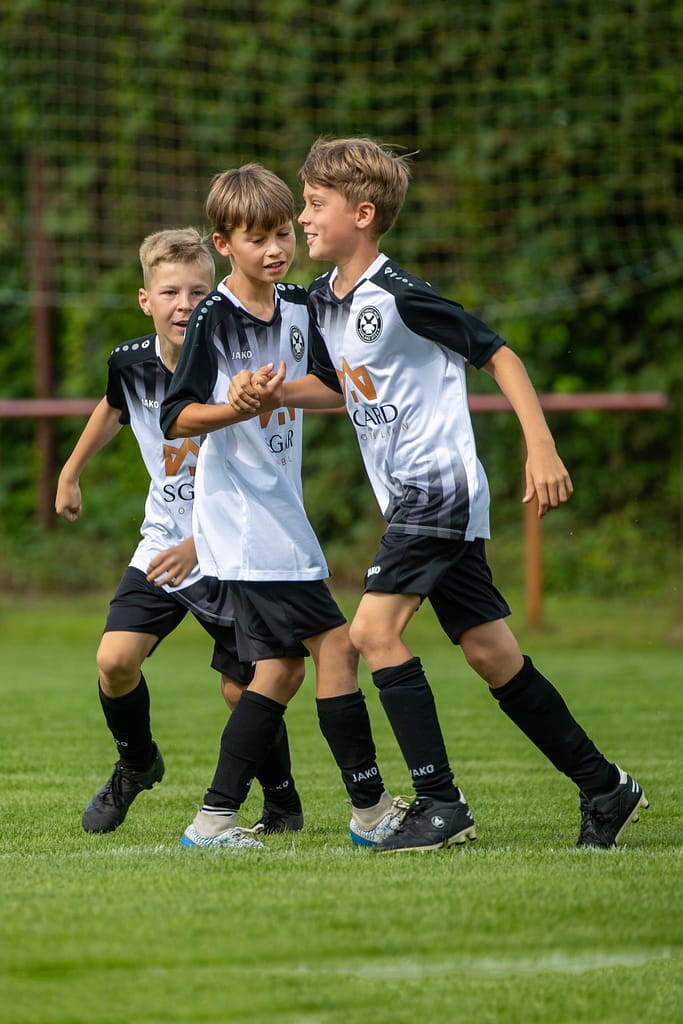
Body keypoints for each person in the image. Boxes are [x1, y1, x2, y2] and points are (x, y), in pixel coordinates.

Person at [229, 137, 648, 853]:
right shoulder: (324, 302)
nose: (303, 218)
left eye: (316, 204)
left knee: (371, 632)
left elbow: (499, 354)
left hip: (438, 488)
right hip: (412, 499)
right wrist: (269, 394)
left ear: (363, 214)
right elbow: (335, 388)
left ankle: (440, 802)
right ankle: (604, 786)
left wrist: (540, 444)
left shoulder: (400, 295)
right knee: (489, 652)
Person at [160, 164, 407, 851]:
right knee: (335, 645)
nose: (274, 250)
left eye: (281, 234)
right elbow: (176, 417)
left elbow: (333, 390)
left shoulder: (300, 305)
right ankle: (369, 810)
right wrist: (232, 405)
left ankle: (214, 819)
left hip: (280, 511)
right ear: (223, 244)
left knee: (280, 670)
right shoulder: (212, 317)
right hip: (243, 519)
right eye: (256, 239)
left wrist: (275, 394)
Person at [55, 227, 302, 840]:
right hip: (164, 541)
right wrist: (71, 472)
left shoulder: (233, 368)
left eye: (197, 291)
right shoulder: (131, 363)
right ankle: (137, 763)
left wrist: (204, 541)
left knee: (242, 688)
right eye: (170, 292)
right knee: (114, 660)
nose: (185, 304)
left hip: (231, 546)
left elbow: (258, 467)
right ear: (146, 300)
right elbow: (113, 405)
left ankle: (282, 801)